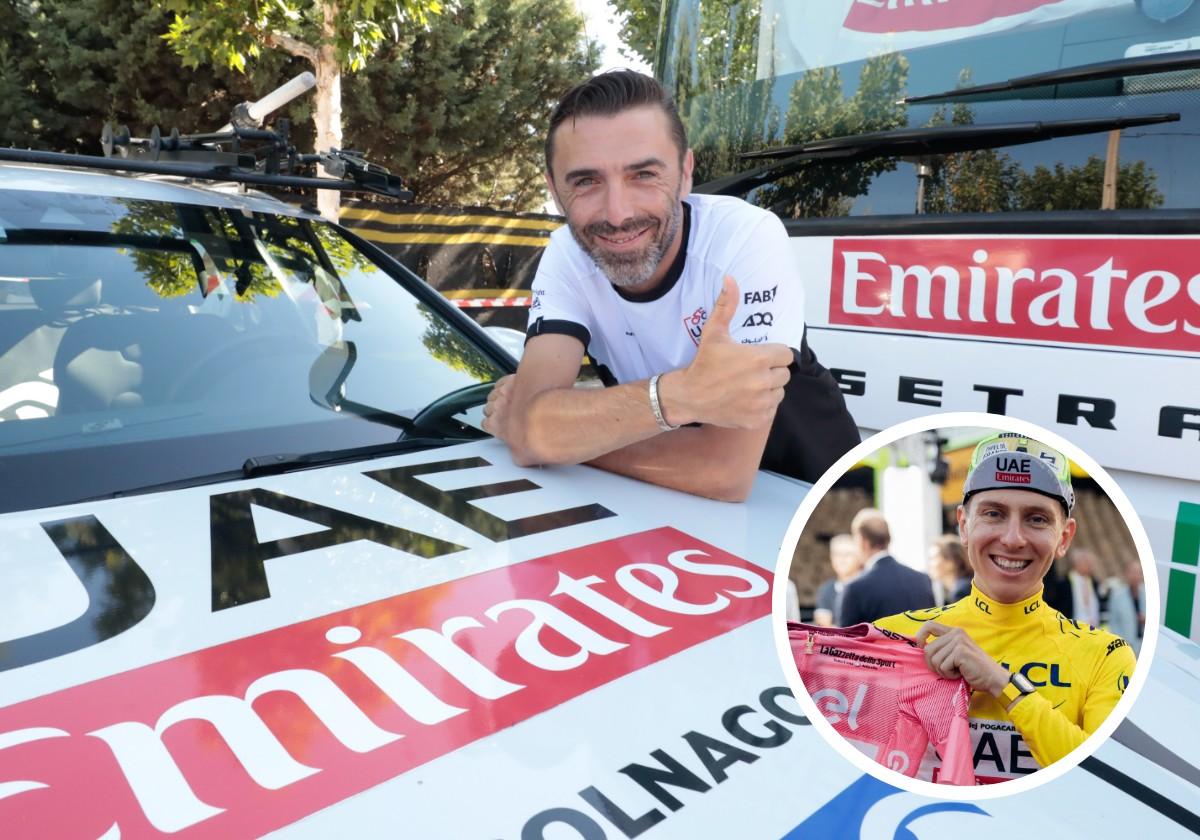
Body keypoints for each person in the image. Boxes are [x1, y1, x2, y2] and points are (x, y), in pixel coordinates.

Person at [481, 70, 859, 501]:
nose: (618, 213)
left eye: (643, 174)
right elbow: (531, 431)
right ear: (553, 189)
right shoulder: (567, 252)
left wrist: (564, 438)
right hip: (674, 518)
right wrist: (681, 397)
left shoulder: (744, 235)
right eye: (586, 181)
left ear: (684, 174)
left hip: (818, 504)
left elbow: (722, 472)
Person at [874, 434, 1137, 783]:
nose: (1013, 538)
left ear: (1064, 538)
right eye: (994, 514)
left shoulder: (1107, 656)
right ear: (964, 526)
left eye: (1037, 519)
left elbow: (1108, 782)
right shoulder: (891, 637)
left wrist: (1004, 685)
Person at [835, 509, 934, 626]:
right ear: (888, 539)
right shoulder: (922, 579)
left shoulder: (854, 589)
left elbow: (846, 642)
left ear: (862, 541)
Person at [813, 533, 862, 626]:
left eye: (848, 554)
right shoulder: (825, 590)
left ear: (858, 557)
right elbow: (824, 627)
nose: (842, 559)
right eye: (837, 554)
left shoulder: (869, 587)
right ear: (831, 558)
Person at [929, 534, 972, 606]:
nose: (930, 564)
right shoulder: (961, 587)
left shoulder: (962, 592)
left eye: (934, 558)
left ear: (951, 562)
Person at [1068, 549, 1102, 628]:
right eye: (1087, 562)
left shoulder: (1094, 582)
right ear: (1077, 563)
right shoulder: (1065, 583)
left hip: (1093, 629)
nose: (1091, 566)